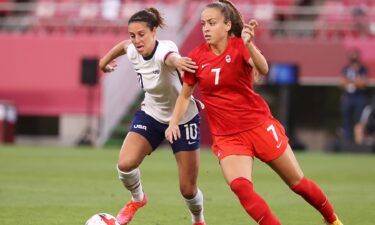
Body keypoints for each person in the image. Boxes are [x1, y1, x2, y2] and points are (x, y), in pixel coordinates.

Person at [165, 1, 343, 225]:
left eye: (212, 23)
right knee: (240, 187)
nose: (206, 29)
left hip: (258, 125)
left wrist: (249, 45)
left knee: (297, 182)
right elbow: (184, 95)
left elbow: (263, 69)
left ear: (227, 25)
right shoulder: (196, 57)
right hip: (228, 137)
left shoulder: (240, 45)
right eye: (203, 24)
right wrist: (173, 122)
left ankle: (333, 220)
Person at [99, 8, 206, 225]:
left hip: (183, 118)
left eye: (141, 34)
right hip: (151, 114)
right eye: (132, 35)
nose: (137, 40)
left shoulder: (164, 49)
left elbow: (171, 58)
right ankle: (138, 199)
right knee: (125, 164)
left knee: (188, 189)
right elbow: (123, 46)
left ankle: (198, 219)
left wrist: (178, 62)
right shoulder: (133, 49)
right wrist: (103, 62)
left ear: (154, 32)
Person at [339, 49, 369, 141]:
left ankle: (358, 141)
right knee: (346, 120)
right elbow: (341, 83)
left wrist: (351, 81)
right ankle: (346, 140)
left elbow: (363, 83)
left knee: (359, 120)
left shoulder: (363, 69)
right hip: (348, 97)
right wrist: (356, 82)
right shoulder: (345, 69)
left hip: (359, 97)